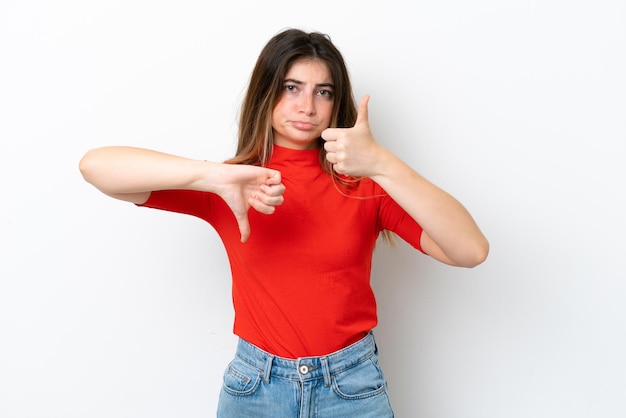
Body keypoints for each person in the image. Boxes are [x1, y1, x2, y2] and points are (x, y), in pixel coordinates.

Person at [79, 28, 488, 418]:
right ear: (267, 91)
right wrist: (214, 176)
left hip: (352, 387)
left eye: (322, 92)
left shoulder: (364, 186)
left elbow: (470, 250)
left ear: (336, 103)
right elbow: (96, 167)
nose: (307, 106)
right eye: (292, 87)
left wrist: (382, 163)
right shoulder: (231, 184)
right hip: (256, 388)